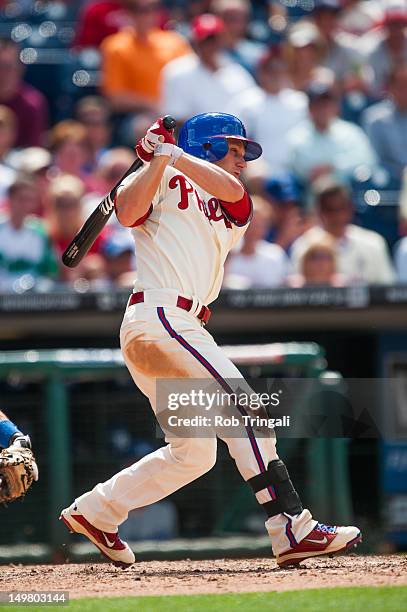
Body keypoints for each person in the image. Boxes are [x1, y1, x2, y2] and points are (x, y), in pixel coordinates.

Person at [60, 112, 361, 569]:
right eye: (235, 150)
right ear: (208, 146)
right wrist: (154, 162)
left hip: (180, 327)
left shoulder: (229, 203)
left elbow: (236, 194)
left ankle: (98, 510)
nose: (243, 161)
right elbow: (124, 211)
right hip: (160, 317)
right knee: (246, 410)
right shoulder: (158, 177)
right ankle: (290, 526)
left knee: (194, 453)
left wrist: (168, 152)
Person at [290, 175, 395, 284]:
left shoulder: (373, 243)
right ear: (319, 211)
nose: (337, 215)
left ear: (351, 208)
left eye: (342, 207)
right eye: (329, 209)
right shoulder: (303, 246)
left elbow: (387, 289)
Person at [101, 0, 191, 114]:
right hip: (139, 114)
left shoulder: (175, 42)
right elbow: (115, 97)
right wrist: (153, 105)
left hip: (178, 111)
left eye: (154, 8)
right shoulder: (115, 46)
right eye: (142, 10)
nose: (150, 14)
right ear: (129, 13)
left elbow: (193, 79)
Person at [287, 71, 377, 184]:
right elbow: (297, 168)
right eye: (318, 105)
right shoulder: (297, 136)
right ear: (310, 108)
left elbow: (369, 161)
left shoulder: (351, 132)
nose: (323, 110)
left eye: (327, 104)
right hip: (311, 196)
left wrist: (334, 167)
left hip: (350, 194)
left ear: (335, 107)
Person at [161, 14, 254, 122]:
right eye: (206, 41)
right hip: (194, 136)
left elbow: (252, 111)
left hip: (233, 134)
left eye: (215, 39)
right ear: (196, 42)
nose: (211, 45)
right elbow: (175, 119)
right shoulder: (177, 72)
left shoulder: (237, 73)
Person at [228, 48, 308, 174]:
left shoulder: (300, 101)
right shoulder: (246, 102)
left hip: (298, 166)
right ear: (261, 72)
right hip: (262, 166)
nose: (276, 74)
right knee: (256, 174)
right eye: (271, 69)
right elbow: (237, 141)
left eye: (280, 69)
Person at [0, 176, 58, 290]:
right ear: (10, 199)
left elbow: (51, 271)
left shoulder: (41, 231)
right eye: (21, 199)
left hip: (34, 299)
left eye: (30, 200)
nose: (25, 205)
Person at [223, 195, 289, 288]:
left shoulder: (275, 254)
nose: (254, 229)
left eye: (259, 224)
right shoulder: (226, 255)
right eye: (251, 224)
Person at [0, 38, 49, 147]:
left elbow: (34, 151)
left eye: (7, 67)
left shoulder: (32, 103)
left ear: (20, 68)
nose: (2, 73)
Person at [362, 63, 407, 181]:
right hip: (390, 180)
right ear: (390, 87)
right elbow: (373, 158)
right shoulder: (375, 118)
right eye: (401, 86)